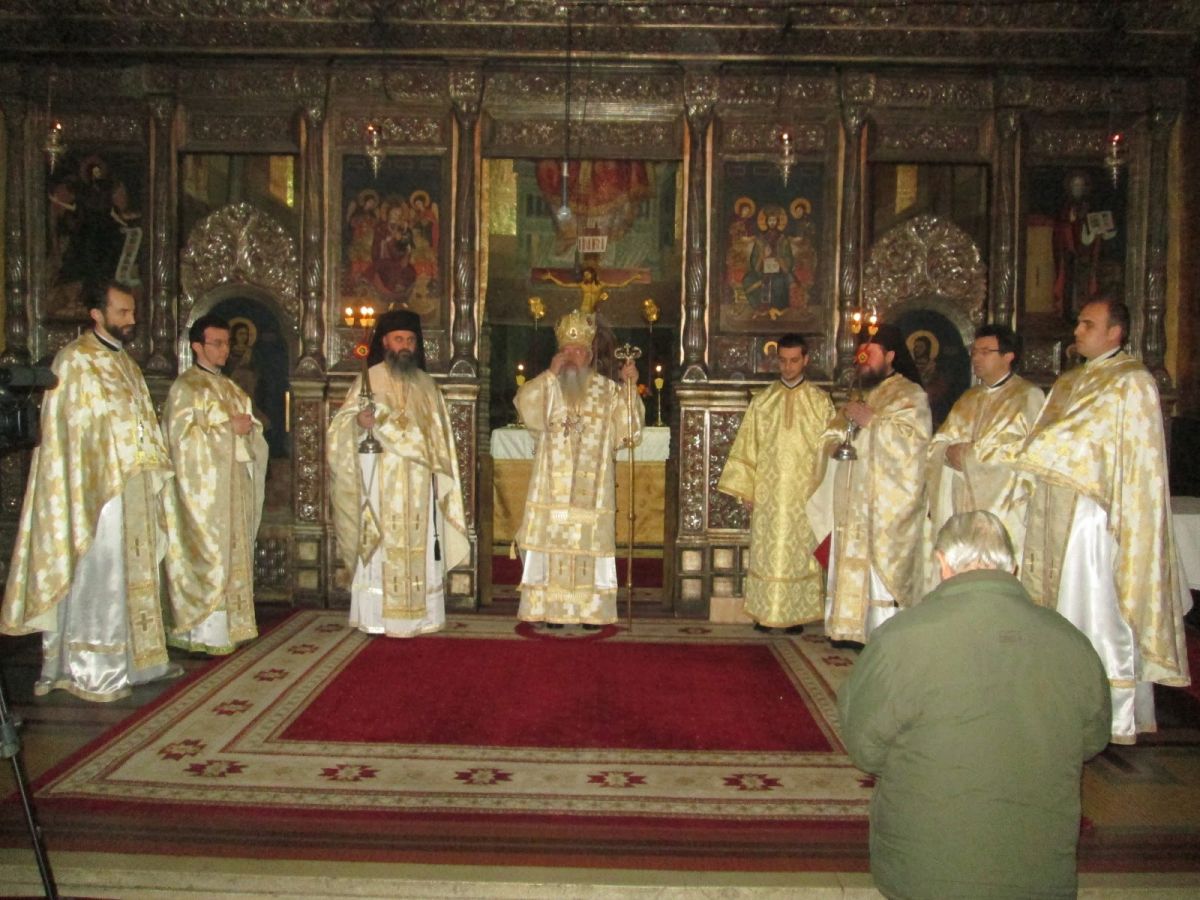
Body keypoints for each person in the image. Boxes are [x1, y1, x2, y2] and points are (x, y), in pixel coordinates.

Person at [838, 511, 1111, 900]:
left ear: (942, 563)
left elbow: (865, 749)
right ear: (1012, 567)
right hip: (1041, 874)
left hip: (924, 874)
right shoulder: (1071, 642)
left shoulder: (901, 638)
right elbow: (1092, 741)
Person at [1016, 297, 1191, 743]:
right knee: (1058, 609)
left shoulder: (1131, 381)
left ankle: (1108, 714)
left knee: (1092, 606)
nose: (1077, 331)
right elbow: (1042, 434)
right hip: (1057, 508)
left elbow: (1124, 456)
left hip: (1097, 518)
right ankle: (1058, 702)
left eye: (1088, 324)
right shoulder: (1069, 381)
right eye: (1078, 323)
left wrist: (1041, 451)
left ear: (1116, 332)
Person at [1, 280, 180, 700]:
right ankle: (94, 667)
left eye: (132, 311)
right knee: (103, 572)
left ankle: (139, 663)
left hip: (132, 484)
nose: (132, 320)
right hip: (97, 491)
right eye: (122, 312)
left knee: (134, 571)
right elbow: (68, 432)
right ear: (97, 314)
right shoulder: (74, 361)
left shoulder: (126, 363)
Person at [327, 309, 469, 637]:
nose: (405, 345)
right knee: (380, 542)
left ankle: (422, 616)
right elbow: (340, 430)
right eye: (398, 339)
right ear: (385, 343)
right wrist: (358, 423)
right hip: (379, 480)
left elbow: (440, 440)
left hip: (419, 484)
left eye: (410, 340)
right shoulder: (368, 379)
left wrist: (438, 477)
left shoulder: (427, 386)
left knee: (420, 542)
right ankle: (377, 617)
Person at [514, 308, 642, 628]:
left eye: (579, 351)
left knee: (590, 546)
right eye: (566, 350)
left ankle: (593, 611)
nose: (572, 357)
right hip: (552, 491)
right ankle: (551, 611)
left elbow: (629, 432)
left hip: (593, 494)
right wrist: (549, 374)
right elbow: (526, 409)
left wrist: (630, 388)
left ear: (590, 355)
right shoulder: (547, 385)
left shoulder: (608, 390)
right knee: (552, 544)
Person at [807, 323, 931, 645]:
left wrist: (873, 423)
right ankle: (846, 629)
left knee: (875, 564)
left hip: (882, 504)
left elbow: (915, 445)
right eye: (861, 353)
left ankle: (879, 630)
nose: (861, 358)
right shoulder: (861, 393)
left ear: (890, 356)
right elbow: (832, 432)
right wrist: (836, 441)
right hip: (851, 497)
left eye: (870, 352)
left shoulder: (910, 394)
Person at [162, 313, 269, 655]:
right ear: (197, 346)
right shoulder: (186, 388)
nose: (225, 350)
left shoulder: (232, 389)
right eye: (217, 343)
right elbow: (179, 443)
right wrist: (228, 431)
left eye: (226, 343)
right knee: (209, 556)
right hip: (203, 496)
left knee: (233, 554)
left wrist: (249, 431)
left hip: (233, 489)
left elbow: (251, 437)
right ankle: (201, 632)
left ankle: (230, 627)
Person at [717, 334, 834, 633]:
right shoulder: (763, 401)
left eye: (794, 360)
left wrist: (824, 491)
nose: (788, 367)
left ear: (806, 360)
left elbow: (830, 450)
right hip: (768, 494)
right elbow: (747, 446)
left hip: (804, 494)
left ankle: (796, 614)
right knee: (767, 553)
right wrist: (747, 490)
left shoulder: (821, 402)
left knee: (800, 554)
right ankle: (764, 612)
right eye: (783, 360)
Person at [926, 324, 1043, 571]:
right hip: (961, 504)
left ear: (1008, 356)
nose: (976, 358)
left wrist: (969, 457)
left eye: (985, 352)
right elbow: (939, 441)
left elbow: (1027, 454)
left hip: (1003, 508)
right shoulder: (968, 397)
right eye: (974, 352)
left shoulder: (1028, 396)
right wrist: (946, 452)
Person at [541, 266, 639, 314]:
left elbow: (619, 284)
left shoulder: (600, 284)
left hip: (595, 309)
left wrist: (633, 278)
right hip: (583, 308)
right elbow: (564, 284)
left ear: (593, 275)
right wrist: (551, 277)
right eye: (585, 275)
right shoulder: (582, 284)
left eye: (587, 274)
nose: (586, 276)